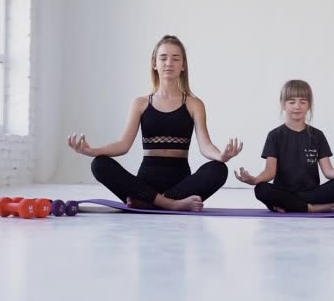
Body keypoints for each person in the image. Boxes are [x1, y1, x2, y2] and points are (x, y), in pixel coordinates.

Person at [68, 35, 242, 212]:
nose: (169, 63)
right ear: (154, 64)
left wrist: (221, 156)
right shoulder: (140, 103)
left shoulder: (194, 104)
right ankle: (170, 204)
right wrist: (93, 151)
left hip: (180, 185)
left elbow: (205, 145)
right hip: (145, 184)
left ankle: (155, 202)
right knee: (99, 164)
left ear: (183, 66)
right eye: (163, 57)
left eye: (176, 58)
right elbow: (123, 145)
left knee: (219, 169)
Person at [234, 79, 334, 213]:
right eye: (292, 101)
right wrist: (254, 180)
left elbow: (328, 171)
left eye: (303, 101)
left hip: (311, 193)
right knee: (261, 189)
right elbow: (270, 172)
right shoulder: (275, 135)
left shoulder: (317, 135)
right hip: (283, 191)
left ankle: (290, 205)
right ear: (283, 104)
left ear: (309, 105)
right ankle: (311, 209)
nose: (297, 106)